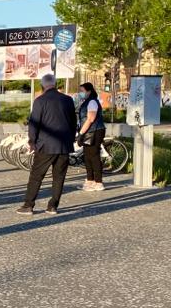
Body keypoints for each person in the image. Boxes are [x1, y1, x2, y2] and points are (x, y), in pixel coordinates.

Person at [17, 74, 77, 215]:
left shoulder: (40, 101)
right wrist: (71, 138)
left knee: (36, 176)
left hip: (45, 146)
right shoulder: (68, 100)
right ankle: (52, 206)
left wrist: (32, 141)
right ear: (55, 84)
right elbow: (73, 122)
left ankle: (28, 205)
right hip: (63, 145)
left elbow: (34, 124)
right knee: (59, 177)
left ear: (42, 85)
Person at [77, 81, 106, 191]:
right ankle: (90, 180)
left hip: (95, 131)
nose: (81, 93)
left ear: (89, 91)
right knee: (87, 156)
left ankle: (98, 182)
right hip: (89, 131)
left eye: (82, 91)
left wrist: (81, 134)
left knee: (94, 156)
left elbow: (90, 119)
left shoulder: (92, 102)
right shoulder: (87, 101)